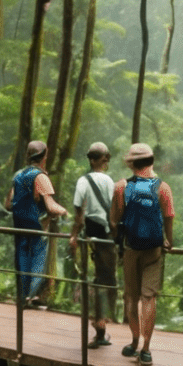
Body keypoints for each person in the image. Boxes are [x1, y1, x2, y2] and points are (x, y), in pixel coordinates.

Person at [112, 142, 173, 366]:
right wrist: (169, 239)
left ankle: (134, 340)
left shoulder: (121, 186)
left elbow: (115, 218)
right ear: (151, 161)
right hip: (155, 248)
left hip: (131, 248)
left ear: (132, 163)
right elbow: (169, 216)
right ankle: (146, 349)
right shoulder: (162, 187)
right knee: (149, 298)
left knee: (131, 297)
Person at [71, 142, 118, 348]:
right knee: (105, 279)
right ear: (103, 160)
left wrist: (73, 236)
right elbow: (115, 211)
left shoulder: (83, 181)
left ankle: (99, 326)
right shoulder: (109, 181)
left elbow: (79, 214)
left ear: (90, 160)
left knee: (96, 278)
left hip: (90, 235)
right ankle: (100, 326)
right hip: (106, 236)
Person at [10, 140, 66, 306]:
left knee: (22, 260)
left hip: (19, 226)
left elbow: (9, 203)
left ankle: (22, 297)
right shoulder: (40, 176)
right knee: (38, 261)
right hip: (36, 226)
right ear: (44, 157)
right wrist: (64, 211)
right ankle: (30, 296)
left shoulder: (19, 176)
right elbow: (50, 206)